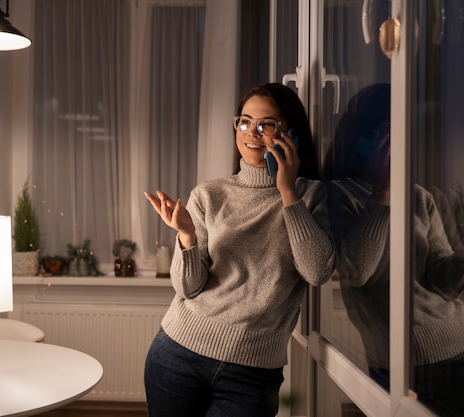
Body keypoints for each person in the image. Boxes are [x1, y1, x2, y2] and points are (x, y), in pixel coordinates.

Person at [143, 83, 336, 417]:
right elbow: (187, 288)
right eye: (245, 122)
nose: (252, 133)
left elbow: (317, 271)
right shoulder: (209, 194)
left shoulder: (313, 197)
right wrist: (187, 237)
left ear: (291, 134)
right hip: (177, 352)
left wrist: (287, 192)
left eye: (267, 125)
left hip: (253, 372)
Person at [328, 83, 464, 416]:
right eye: (384, 134)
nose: (393, 144)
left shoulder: (418, 196)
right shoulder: (338, 198)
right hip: (398, 362)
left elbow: (441, 283)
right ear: (365, 136)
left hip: (455, 345)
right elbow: (356, 272)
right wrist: (384, 191)